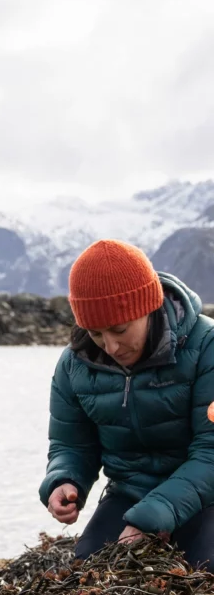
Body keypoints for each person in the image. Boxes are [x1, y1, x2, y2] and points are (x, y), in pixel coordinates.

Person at [40, 239, 214, 566]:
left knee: (206, 569)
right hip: (129, 494)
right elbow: (70, 443)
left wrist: (154, 517)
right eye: (95, 334)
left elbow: (212, 451)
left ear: (147, 307)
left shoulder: (208, 347)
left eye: (120, 329)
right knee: (89, 571)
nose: (112, 347)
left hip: (207, 496)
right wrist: (64, 479)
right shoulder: (73, 365)